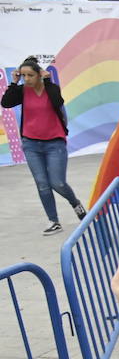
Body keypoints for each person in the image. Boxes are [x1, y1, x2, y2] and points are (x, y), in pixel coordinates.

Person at [3, 58, 86, 234]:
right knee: (42, 183)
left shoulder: (51, 89)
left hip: (54, 143)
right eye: (23, 75)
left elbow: (58, 102)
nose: (27, 79)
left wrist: (48, 81)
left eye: (30, 75)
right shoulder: (22, 91)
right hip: (31, 144)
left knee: (58, 183)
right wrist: (13, 82)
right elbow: (6, 103)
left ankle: (75, 204)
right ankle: (54, 221)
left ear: (39, 74)